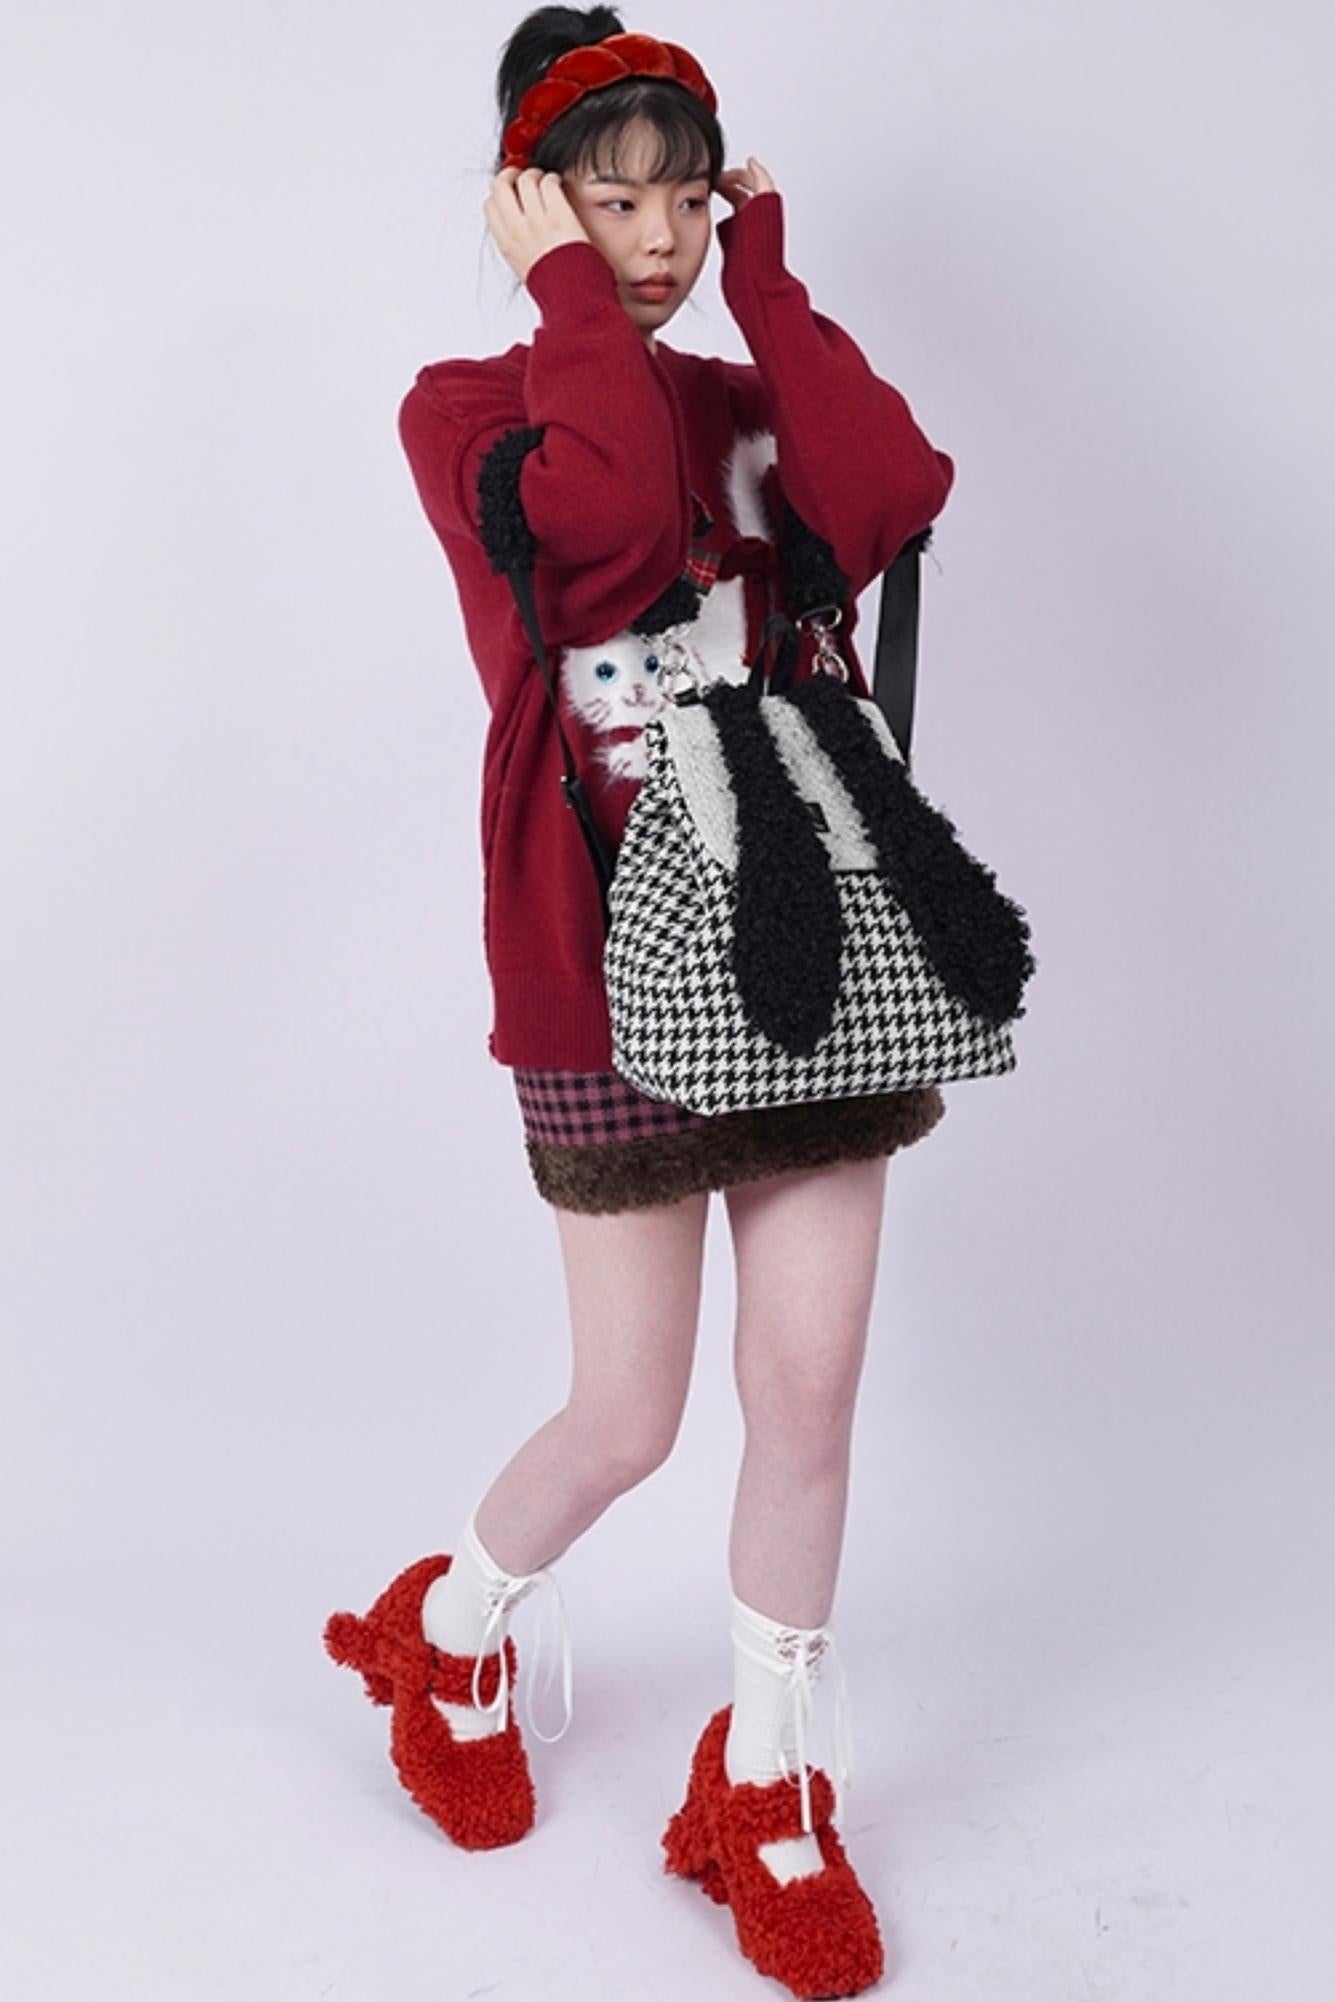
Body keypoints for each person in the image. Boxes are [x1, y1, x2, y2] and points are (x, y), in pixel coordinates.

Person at [325, 9, 955, 1994]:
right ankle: (448, 1634)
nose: (660, 238)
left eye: (686, 199)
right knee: (628, 1412)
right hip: (600, 969)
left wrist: (770, 287)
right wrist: (569, 306)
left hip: (810, 958)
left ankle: (767, 1779)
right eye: (613, 204)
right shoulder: (465, 410)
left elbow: (892, 492)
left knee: (809, 1386)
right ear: (531, 212)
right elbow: (591, 535)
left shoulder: (747, 390)